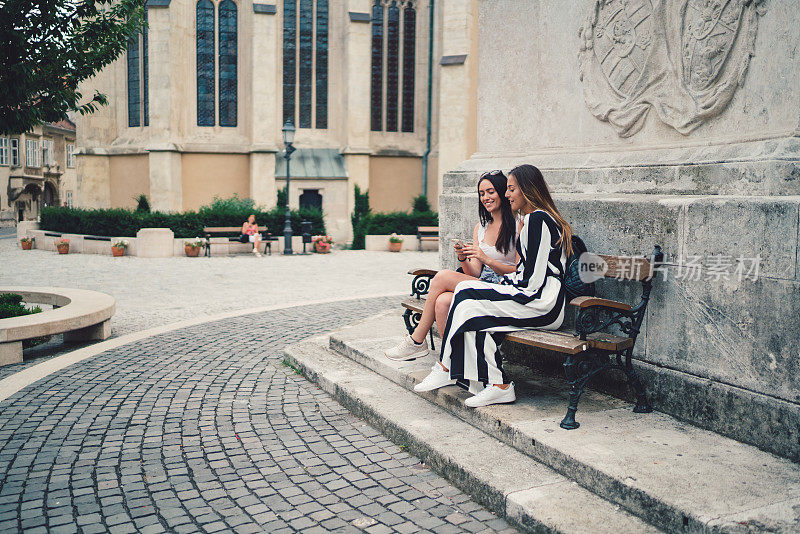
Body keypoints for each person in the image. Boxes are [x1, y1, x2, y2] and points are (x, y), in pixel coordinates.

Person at [413, 164, 573, 408]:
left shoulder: (538, 219)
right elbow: (526, 275)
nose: (507, 195)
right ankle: (494, 384)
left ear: (527, 189)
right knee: (468, 302)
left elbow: (532, 281)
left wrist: (500, 286)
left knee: (469, 295)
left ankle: (450, 367)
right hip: (533, 296)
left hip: (542, 303)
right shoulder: (532, 220)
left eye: (511, 189)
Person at [385, 170, 518, 364]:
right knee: (442, 302)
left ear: (502, 192)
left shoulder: (518, 225)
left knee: (442, 277)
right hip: (483, 283)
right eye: (481, 193)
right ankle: (451, 361)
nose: (486, 198)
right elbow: (474, 273)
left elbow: (520, 270)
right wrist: (463, 258)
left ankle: (416, 340)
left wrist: (486, 259)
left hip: (506, 286)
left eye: (490, 192)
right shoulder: (480, 227)